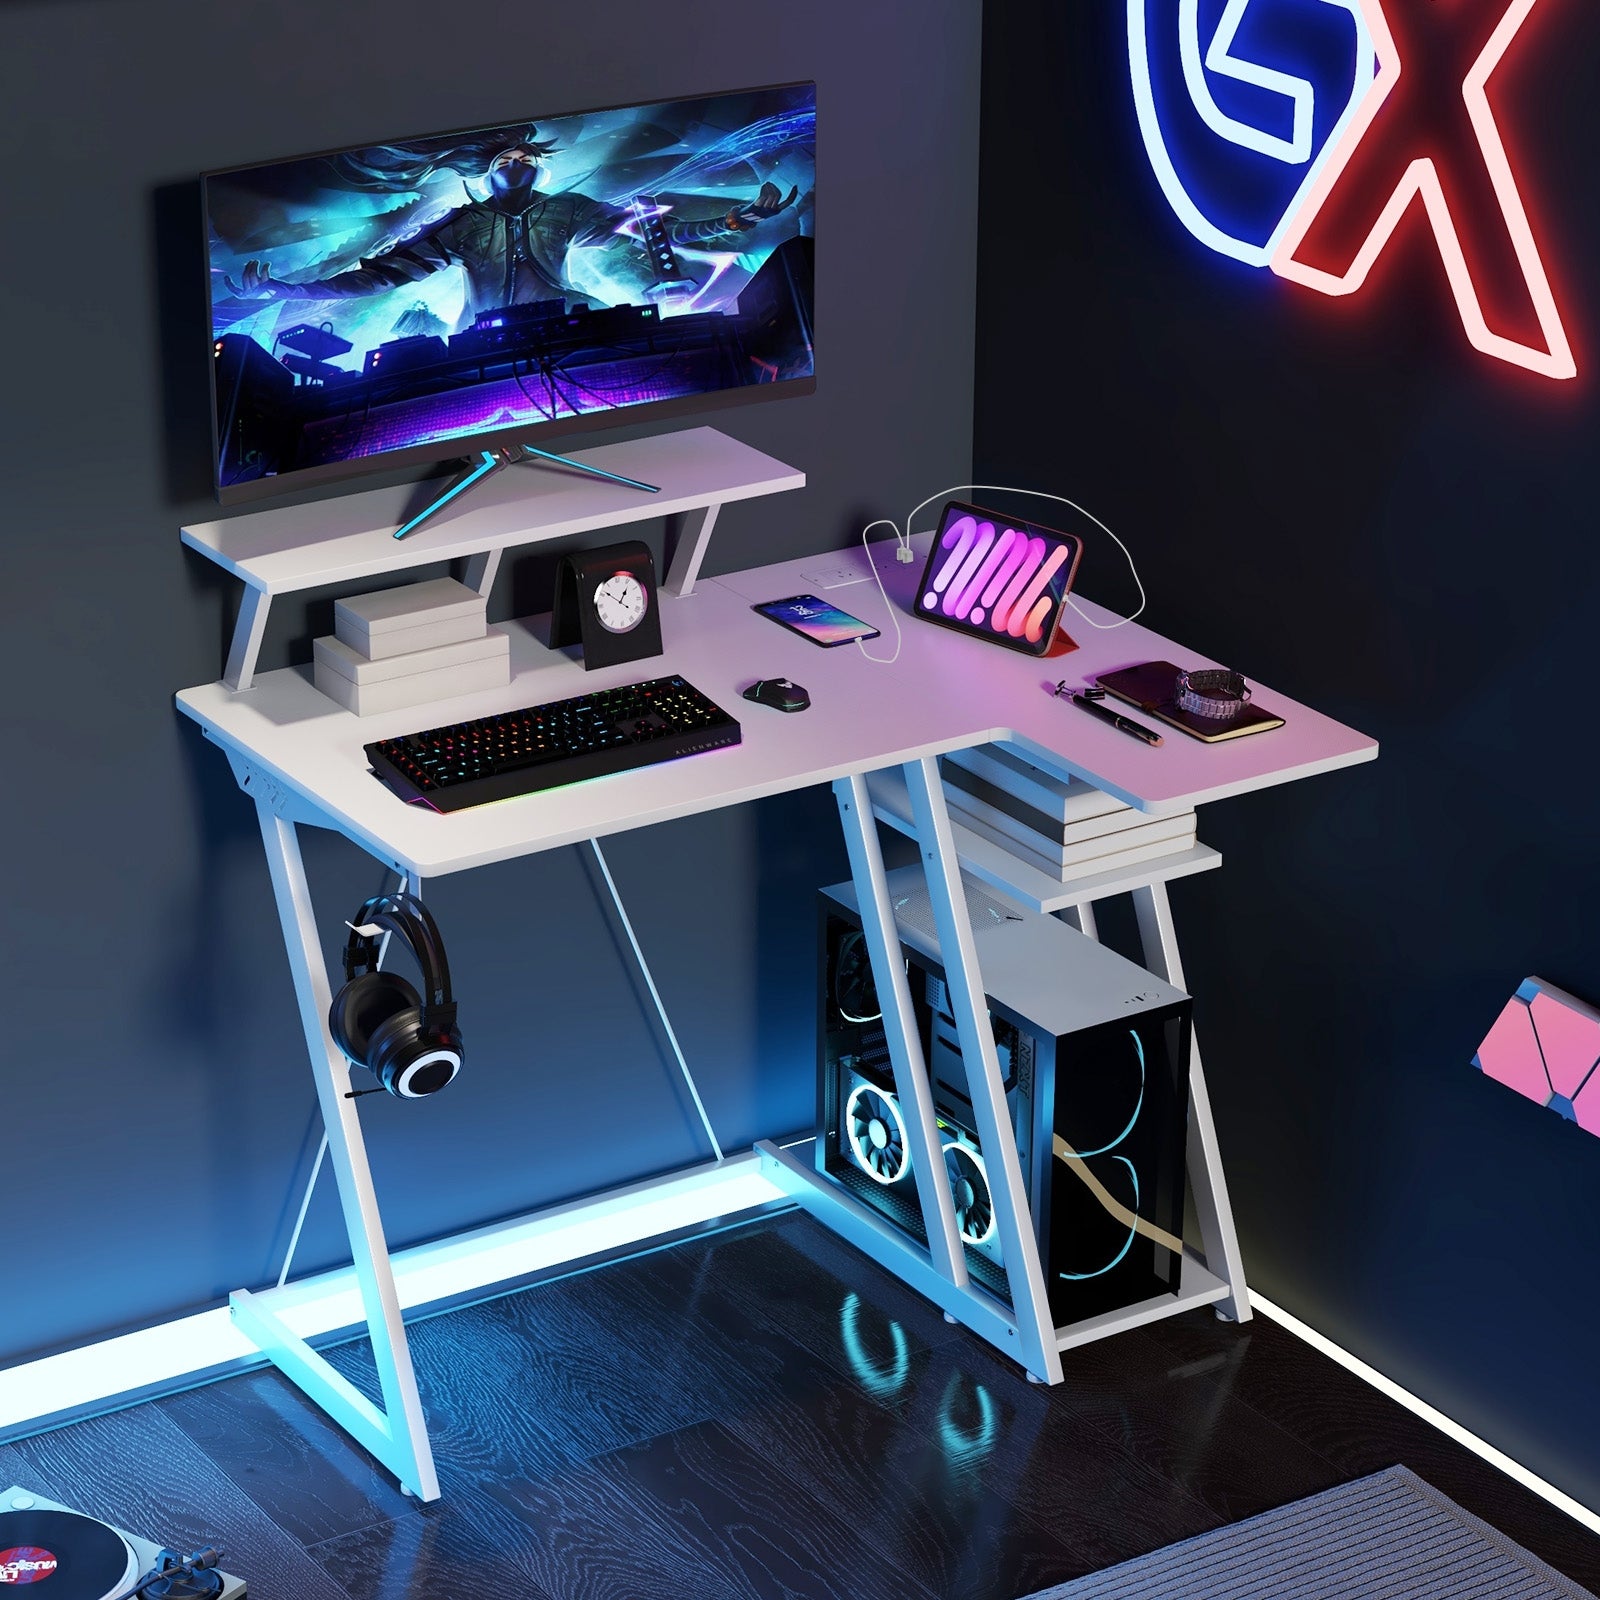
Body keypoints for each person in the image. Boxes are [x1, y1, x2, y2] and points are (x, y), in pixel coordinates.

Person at [231, 133, 798, 323]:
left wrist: (731, 220)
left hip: (567, 323)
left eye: (527, 156)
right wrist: (286, 289)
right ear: (489, 171)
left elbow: (657, 232)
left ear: (539, 168)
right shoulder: (462, 225)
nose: (517, 161)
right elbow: (378, 278)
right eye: (506, 158)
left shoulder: (570, 209)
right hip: (484, 337)